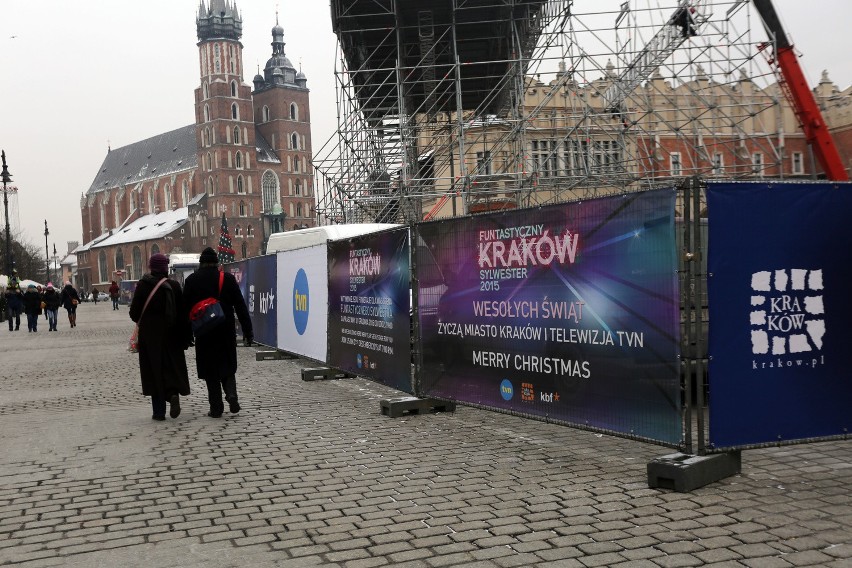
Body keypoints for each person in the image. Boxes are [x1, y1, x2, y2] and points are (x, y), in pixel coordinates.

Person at [183, 247, 253, 418]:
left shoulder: (192, 280)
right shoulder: (227, 279)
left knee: (210, 370)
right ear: (216, 262)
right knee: (227, 364)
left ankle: (216, 408)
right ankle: (231, 394)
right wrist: (247, 331)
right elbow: (240, 306)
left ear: (201, 263)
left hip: (204, 331)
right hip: (225, 329)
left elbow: (184, 309)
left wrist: (186, 335)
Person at [129, 253, 192, 421]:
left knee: (153, 370)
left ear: (151, 266)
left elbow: (134, 313)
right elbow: (183, 315)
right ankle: (172, 394)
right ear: (165, 267)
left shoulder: (143, 285)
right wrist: (186, 338)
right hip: (172, 335)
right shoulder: (174, 286)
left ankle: (158, 412)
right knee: (171, 367)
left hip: (150, 337)